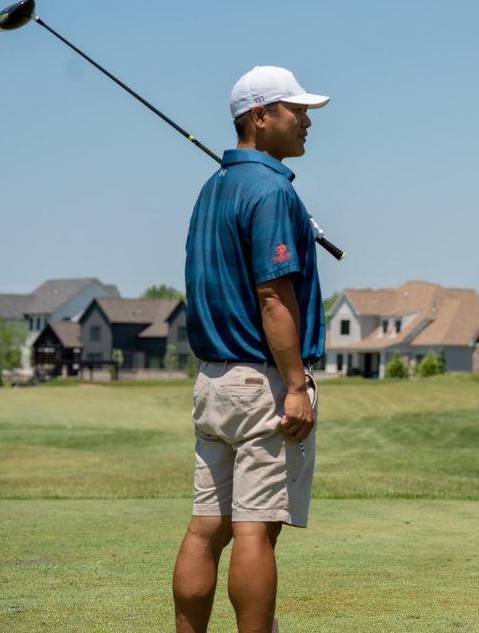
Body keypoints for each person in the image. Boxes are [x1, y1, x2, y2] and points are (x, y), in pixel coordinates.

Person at [173, 65, 330, 633]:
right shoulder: (271, 190)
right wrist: (294, 387)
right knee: (255, 529)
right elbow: (273, 296)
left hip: (212, 380)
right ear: (260, 118)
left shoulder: (214, 189)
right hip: (260, 382)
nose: (307, 121)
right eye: (297, 110)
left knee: (205, 527)